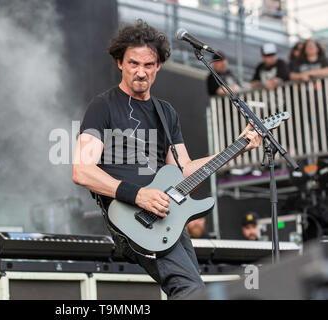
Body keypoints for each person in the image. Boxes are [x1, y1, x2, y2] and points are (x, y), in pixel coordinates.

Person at [72, 20, 262, 300]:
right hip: (131, 217)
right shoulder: (103, 106)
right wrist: (138, 195)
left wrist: (238, 147)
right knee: (190, 290)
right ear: (119, 63)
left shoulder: (165, 112)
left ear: (158, 65)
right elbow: (82, 170)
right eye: (133, 63)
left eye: (148, 65)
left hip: (164, 214)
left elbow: (183, 172)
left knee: (194, 290)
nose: (141, 72)